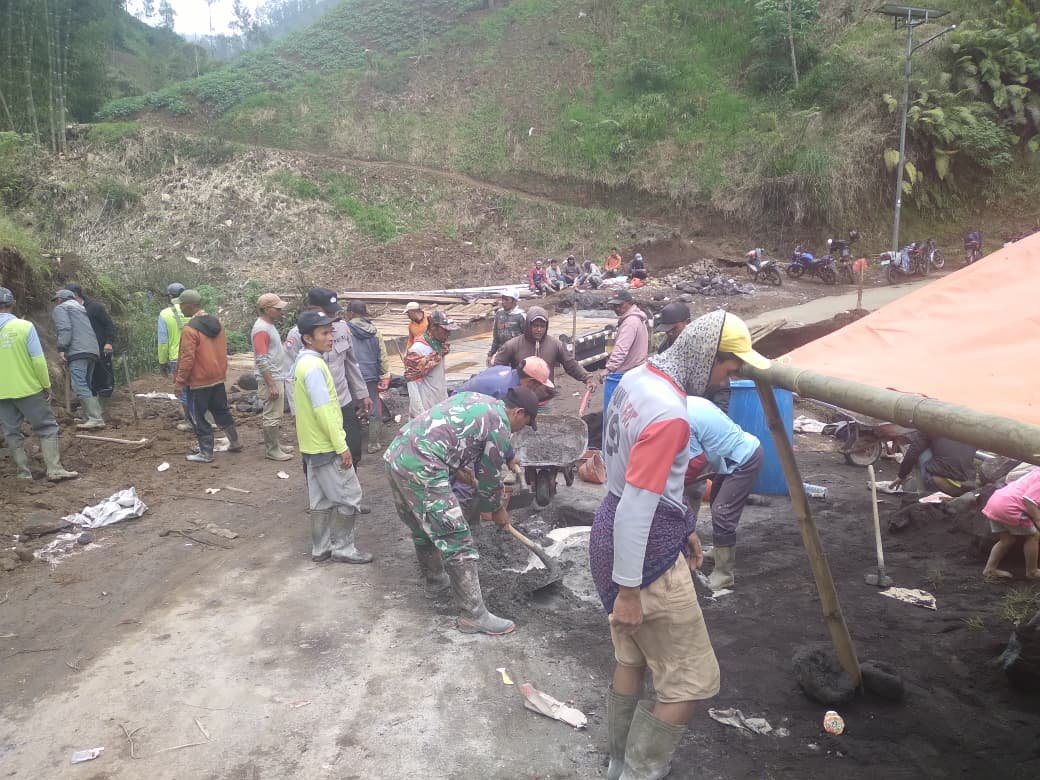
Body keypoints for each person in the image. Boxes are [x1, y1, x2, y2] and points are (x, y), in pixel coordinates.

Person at [589, 309, 768, 779]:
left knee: (631, 658)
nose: (729, 379)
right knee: (690, 681)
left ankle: (617, 764)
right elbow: (638, 504)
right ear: (707, 355)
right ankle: (638, 773)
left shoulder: (636, 379)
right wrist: (630, 591)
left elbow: (639, 482)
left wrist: (684, 522)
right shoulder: (671, 414)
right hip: (645, 556)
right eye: (728, 366)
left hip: (609, 531)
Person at [383, 386, 539, 635]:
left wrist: (457, 465)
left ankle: (435, 581)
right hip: (423, 466)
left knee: (421, 525)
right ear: (519, 412)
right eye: (526, 424)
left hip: (398, 455)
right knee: (457, 537)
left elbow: (448, 430)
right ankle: (473, 615)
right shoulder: (500, 425)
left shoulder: (478, 400)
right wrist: (498, 510)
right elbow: (489, 479)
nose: (520, 430)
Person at [293, 310, 373, 565]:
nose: (331, 338)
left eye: (331, 332)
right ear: (308, 338)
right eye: (324, 333)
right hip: (326, 445)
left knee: (320, 499)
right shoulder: (315, 367)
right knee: (350, 495)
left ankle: (321, 547)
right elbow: (324, 410)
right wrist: (341, 446)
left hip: (312, 445)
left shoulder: (302, 362)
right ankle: (344, 548)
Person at [684, 396, 764, 591]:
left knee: (722, 511)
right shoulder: (690, 401)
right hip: (728, 458)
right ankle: (719, 551)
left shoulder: (683, 418)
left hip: (744, 459)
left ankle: (724, 574)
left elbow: (696, 462)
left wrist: (675, 482)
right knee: (716, 502)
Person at [285, 288, 371, 465]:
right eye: (328, 312)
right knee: (320, 454)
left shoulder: (342, 328)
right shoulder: (298, 334)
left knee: (353, 448)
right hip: (315, 408)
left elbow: (351, 363)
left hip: (343, 400)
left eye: (334, 312)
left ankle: (349, 479)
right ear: (313, 308)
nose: (332, 316)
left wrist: (362, 393)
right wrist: (297, 412)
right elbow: (290, 376)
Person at [0, 286, 77, 481]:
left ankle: (23, 473)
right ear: (13, 304)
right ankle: (54, 469)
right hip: (28, 389)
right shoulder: (24, 327)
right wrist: (46, 385)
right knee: (47, 427)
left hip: (2, 393)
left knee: (12, 432)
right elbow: (38, 361)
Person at [174, 290, 242, 463]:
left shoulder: (190, 329)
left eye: (181, 305)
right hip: (217, 377)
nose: (180, 308)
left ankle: (206, 453)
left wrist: (180, 381)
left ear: (190, 305)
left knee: (197, 416)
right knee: (221, 410)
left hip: (198, 381)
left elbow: (187, 358)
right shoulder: (217, 323)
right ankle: (235, 441)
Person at [493, 306, 597, 393]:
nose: (539, 330)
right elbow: (497, 369)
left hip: (545, 400)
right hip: (520, 401)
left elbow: (571, 364)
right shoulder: (512, 345)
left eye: (542, 326)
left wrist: (587, 378)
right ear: (528, 325)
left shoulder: (555, 345)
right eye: (535, 326)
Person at [51, 289, 105, 430]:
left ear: (60, 300)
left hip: (78, 350)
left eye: (56, 300)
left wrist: (62, 348)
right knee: (86, 383)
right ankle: (89, 417)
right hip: (92, 350)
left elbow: (65, 328)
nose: (56, 303)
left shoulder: (61, 308)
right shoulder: (81, 308)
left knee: (79, 384)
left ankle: (96, 418)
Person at [250, 293, 294, 462]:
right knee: (271, 414)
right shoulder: (262, 329)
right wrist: (271, 384)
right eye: (277, 308)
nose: (281, 311)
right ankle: (272, 449)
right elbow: (261, 359)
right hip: (271, 377)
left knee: (276, 412)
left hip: (276, 375)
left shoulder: (268, 326)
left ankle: (276, 445)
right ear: (267, 310)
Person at [344, 300, 391, 455]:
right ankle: (374, 442)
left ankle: (350, 441)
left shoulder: (345, 330)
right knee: (373, 405)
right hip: (371, 374)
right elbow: (382, 355)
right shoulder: (375, 331)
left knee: (349, 406)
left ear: (351, 313)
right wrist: (384, 374)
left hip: (351, 375)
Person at [982, 469, 1040, 581]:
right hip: (1011, 508)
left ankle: (990, 569)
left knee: (1006, 540)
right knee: (1034, 536)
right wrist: (1038, 520)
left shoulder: (1036, 471)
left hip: (996, 502)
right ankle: (1032, 571)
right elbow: (1029, 500)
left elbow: (1011, 477)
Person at [62, 284, 115, 399]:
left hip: (100, 347)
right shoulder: (69, 310)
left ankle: (102, 401)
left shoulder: (95, 307)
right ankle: (90, 401)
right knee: (86, 379)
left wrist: (109, 342)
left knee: (102, 376)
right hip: (81, 349)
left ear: (75, 294)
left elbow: (108, 325)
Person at [404, 310, 458, 420]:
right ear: (433, 327)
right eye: (445, 331)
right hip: (426, 407)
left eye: (449, 331)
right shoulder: (417, 350)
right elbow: (412, 385)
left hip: (440, 401)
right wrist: (419, 414)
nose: (448, 334)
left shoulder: (439, 347)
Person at [889, 432, 976, 496]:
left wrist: (901, 476)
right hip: (967, 485)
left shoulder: (932, 423)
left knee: (921, 451)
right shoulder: (968, 426)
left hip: (943, 484)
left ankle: (923, 494)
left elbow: (913, 453)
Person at [157, 282, 192, 431]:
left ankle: (190, 422)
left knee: (183, 390)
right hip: (195, 355)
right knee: (197, 388)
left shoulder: (165, 314)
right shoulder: (192, 310)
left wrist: (162, 362)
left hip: (176, 357)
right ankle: (204, 419)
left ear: (170, 296)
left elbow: (163, 342)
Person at [453, 356, 554, 400]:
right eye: (537, 385)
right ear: (531, 382)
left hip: (458, 395)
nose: (535, 389)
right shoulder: (505, 392)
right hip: (457, 406)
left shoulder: (505, 370)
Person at [604, 290, 649, 376]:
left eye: (620, 305)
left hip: (627, 372)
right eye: (614, 306)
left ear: (629, 303)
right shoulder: (637, 318)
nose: (617, 308)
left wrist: (609, 368)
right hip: (638, 368)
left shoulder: (629, 323)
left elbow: (621, 348)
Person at [487, 288, 526, 366]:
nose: (503, 302)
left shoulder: (521, 317)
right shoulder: (499, 314)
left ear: (514, 301)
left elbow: (527, 339)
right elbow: (496, 337)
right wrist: (490, 354)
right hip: (501, 354)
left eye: (506, 299)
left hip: (517, 356)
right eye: (502, 299)